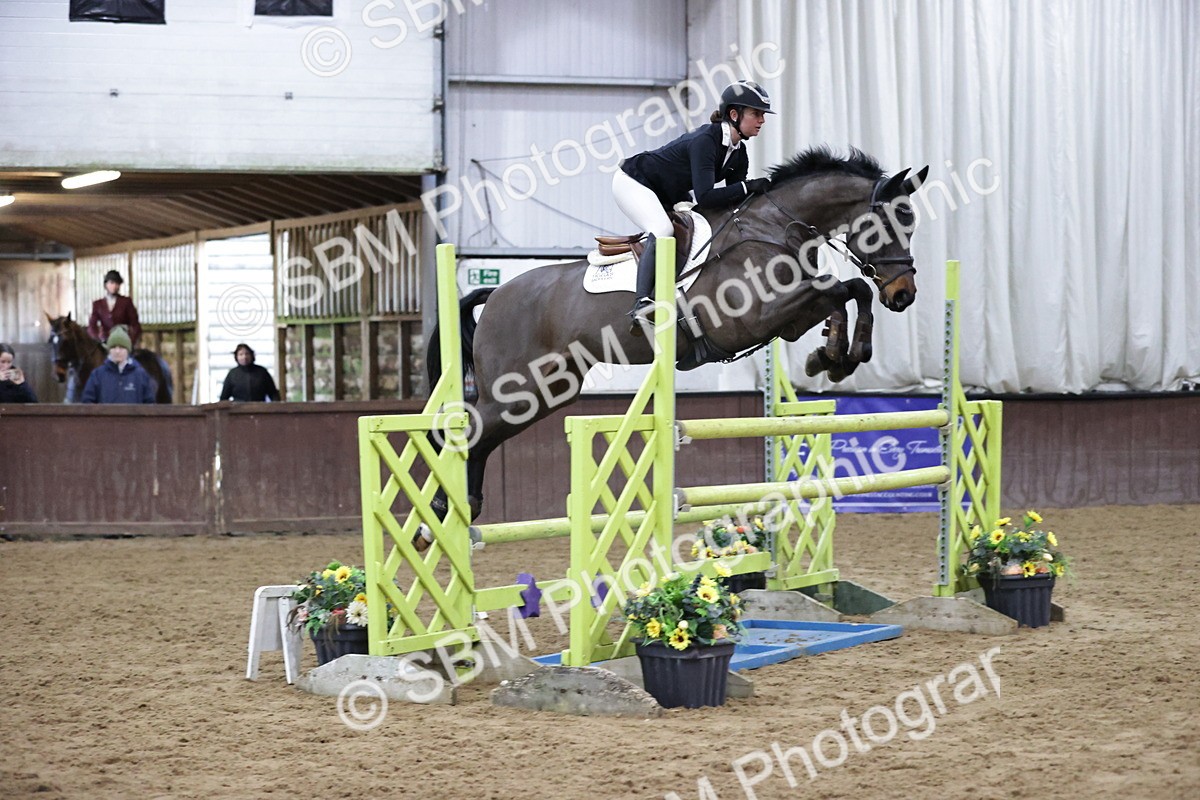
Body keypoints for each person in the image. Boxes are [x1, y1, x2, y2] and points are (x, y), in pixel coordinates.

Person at [614, 79, 775, 332]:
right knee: (663, 229)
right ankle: (641, 303)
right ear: (734, 115)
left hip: (669, 192)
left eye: (763, 115)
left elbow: (732, 202)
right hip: (634, 181)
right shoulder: (706, 140)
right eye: (756, 114)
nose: (762, 120)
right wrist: (748, 187)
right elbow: (707, 197)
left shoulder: (739, 153)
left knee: (700, 228)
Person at [80, 326, 155, 404]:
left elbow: (149, 403)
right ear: (109, 350)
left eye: (121, 347)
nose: (117, 351)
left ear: (128, 350)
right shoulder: (97, 375)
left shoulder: (140, 375)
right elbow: (87, 401)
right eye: (113, 347)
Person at [88, 269, 142, 346]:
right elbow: (92, 325)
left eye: (117, 283)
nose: (114, 286)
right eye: (111, 283)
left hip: (123, 340)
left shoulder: (126, 302)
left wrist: (131, 341)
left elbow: (135, 325)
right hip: (105, 341)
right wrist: (97, 339)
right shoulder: (97, 304)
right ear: (106, 284)